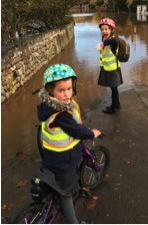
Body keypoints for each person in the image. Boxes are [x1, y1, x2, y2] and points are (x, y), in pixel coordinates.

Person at [37, 63, 101, 224]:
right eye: (61, 90)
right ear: (50, 91)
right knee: (66, 195)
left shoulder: (48, 106)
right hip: (63, 159)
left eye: (69, 89)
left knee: (58, 187)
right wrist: (91, 133)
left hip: (51, 156)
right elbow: (75, 130)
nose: (67, 94)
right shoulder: (61, 113)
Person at [96, 18, 123, 114]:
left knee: (114, 88)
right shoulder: (105, 38)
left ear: (112, 30)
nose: (104, 31)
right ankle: (117, 105)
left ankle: (113, 108)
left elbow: (115, 40)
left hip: (113, 69)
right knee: (113, 88)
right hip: (107, 67)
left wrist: (103, 44)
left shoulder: (113, 40)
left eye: (106, 29)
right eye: (102, 29)